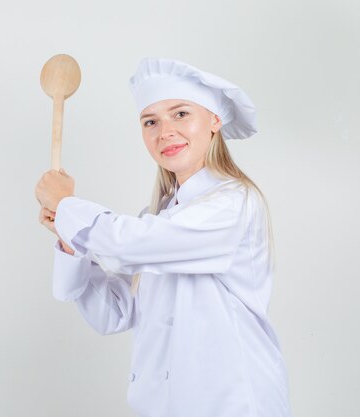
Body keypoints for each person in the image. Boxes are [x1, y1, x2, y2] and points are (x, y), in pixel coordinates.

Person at [34, 57, 292, 417]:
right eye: (150, 121)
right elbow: (113, 314)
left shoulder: (233, 203)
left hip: (231, 403)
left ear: (214, 120)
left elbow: (128, 243)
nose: (164, 132)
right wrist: (68, 238)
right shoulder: (157, 216)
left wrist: (67, 206)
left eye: (181, 113)